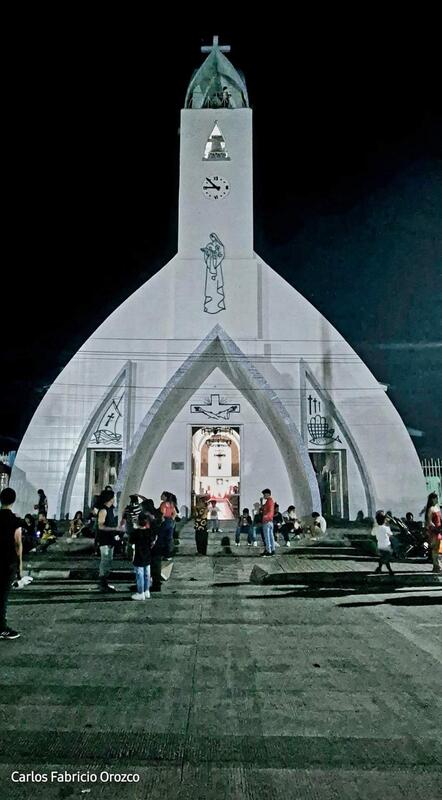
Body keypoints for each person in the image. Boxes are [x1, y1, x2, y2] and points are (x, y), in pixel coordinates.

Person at [0, 488, 23, 640]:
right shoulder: (15, 521)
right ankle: (2, 628)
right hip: (8, 561)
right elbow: (18, 543)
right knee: (2, 596)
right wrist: (20, 567)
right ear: (13, 501)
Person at [96, 489, 122, 592]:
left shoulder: (110, 509)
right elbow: (101, 526)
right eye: (113, 497)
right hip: (104, 539)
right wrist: (114, 529)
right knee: (105, 560)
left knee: (109, 560)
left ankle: (105, 581)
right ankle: (102, 582)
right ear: (110, 498)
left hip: (110, 538)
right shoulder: (103, 510)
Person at [130, 512, 158, 600]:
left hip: (139, 555)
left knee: (139, 575)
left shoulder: (136, 532)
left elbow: (131, 541)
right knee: (147, 574)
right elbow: (153, 541)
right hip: (148, 555)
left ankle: (140, 592)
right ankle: (147, 591)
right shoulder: (150, 532)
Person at [372, 511, 394, 575]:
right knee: (386, 558)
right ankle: (388, 570)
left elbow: (372, 534)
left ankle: (380, 568)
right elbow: (391, 534)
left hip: (380, 546)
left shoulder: (376, 528)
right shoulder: (386, 528)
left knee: (384, 558)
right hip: (387, 546)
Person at [424, 492, 442, 573]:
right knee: (435, 549)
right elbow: (429, 521)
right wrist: (435, 528)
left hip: (439, 529)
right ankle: (436, 566)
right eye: (436, 498)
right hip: (434, 531)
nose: (437, 499)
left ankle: (437, 566)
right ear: (432, 499)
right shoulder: (431, 509)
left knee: (438, 549)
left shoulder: (437, 507)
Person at [159, 491, 176, 560]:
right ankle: (168, 555)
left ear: (165, 497)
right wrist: (172, 520)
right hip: (170, 522)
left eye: (162, 495)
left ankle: (163, 554)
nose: (161, 496)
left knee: (162, 538)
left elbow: (162, 514)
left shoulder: (163, 504)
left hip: (165, 522)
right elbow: (174, 513)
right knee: (169, 539)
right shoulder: (172, 504)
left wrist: (161, 522)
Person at [260, 489, 275, 557]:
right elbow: (263, 508)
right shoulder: (270, 501)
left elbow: (267, 510)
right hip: (270, 520)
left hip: (267, 520)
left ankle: (268, 550)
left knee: (267, 537)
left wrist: (264, 518)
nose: (264, 496)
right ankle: (272, 549)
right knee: (271, 536)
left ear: (268, 494)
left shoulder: (269, 502)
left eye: (264, 494)